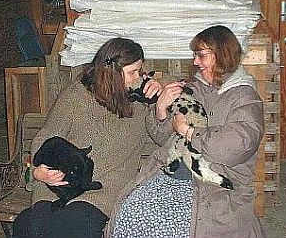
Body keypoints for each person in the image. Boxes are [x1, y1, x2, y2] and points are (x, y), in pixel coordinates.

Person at [107, 25, 265, 238]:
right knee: (131, 210)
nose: (195, 62)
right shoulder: (194, 88)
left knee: (170, 225)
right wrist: (161, 109)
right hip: (176, 170)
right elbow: (161, 136)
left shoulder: (245, 98)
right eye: (195, 55)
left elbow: (236, 147)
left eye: (202, 56)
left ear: (222, 56)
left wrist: (190, 132)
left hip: (216, 181)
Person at [13, 38, 165, 238]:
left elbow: (163, 138)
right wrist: (39, 171)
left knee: (69, 228)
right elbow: (48, 135)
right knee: (33, 228)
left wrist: (160, 107)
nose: (139, 77)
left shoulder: (142, 102)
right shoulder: (78, 94)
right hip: (60, 185)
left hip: (103, 191)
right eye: (133, 72)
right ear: (112, 74)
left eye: (140, 71)